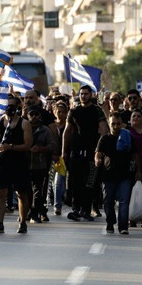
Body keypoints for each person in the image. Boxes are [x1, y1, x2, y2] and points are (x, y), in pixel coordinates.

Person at [0, 96, 32, 234]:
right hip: (3, 161)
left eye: (12, 106)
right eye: (6, 106)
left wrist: (11, 147)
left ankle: (22, 221)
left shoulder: (24, 123)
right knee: (1, 191)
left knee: (21, 193)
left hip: (19, 161)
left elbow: (28, 144)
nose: (9, 109)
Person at [61, 85, 107, 222]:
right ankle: (76, 209)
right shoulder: (74, 111)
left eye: (86, 94)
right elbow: (67, 131)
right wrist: (63, 151)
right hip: (76, 152)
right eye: (81, 94)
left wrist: (100, 150)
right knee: (76, 181)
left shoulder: (97, 110)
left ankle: (86, 210)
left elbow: (104, 130)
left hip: (92, 151)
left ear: (91, 95)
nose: (83, 96)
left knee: (90, 181)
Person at [95, 113, 138, 235]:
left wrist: (138, 171)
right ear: (109, 124)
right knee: (108, 201)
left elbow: (135, 155)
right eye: (113, 123)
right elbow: (98, 153)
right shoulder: (105, 139)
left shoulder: (127, 137)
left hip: (125, 175)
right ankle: (110, 222)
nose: (115, 126)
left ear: (122, 124)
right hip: (108, 175)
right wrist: (97, 160)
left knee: (124, 201)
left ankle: (123, 226)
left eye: (118, 123)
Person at [28, 105, 55, 223]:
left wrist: (40, 148)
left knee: (38, 191)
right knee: (25, 191)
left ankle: (35, 213)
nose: (34, 117)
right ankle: (26, 212)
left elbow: (51, 145)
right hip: (25, 164)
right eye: (31, 114)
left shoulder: (45, 130)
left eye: (36, 114)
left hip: (40, 165)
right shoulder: (24, 128)